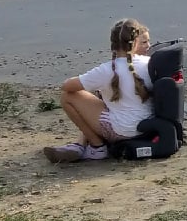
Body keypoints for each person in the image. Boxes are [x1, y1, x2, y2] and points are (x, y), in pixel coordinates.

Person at [44, 19, 153, 163]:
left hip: (122, 130)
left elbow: (67, 86)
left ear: (112, 43)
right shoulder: (149, 63)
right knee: (104, 97)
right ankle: (80, 144)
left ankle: (97, 147)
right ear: (136, 42)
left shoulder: (107, 70)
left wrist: (93, 83)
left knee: (68, 97)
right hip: (148, 125)